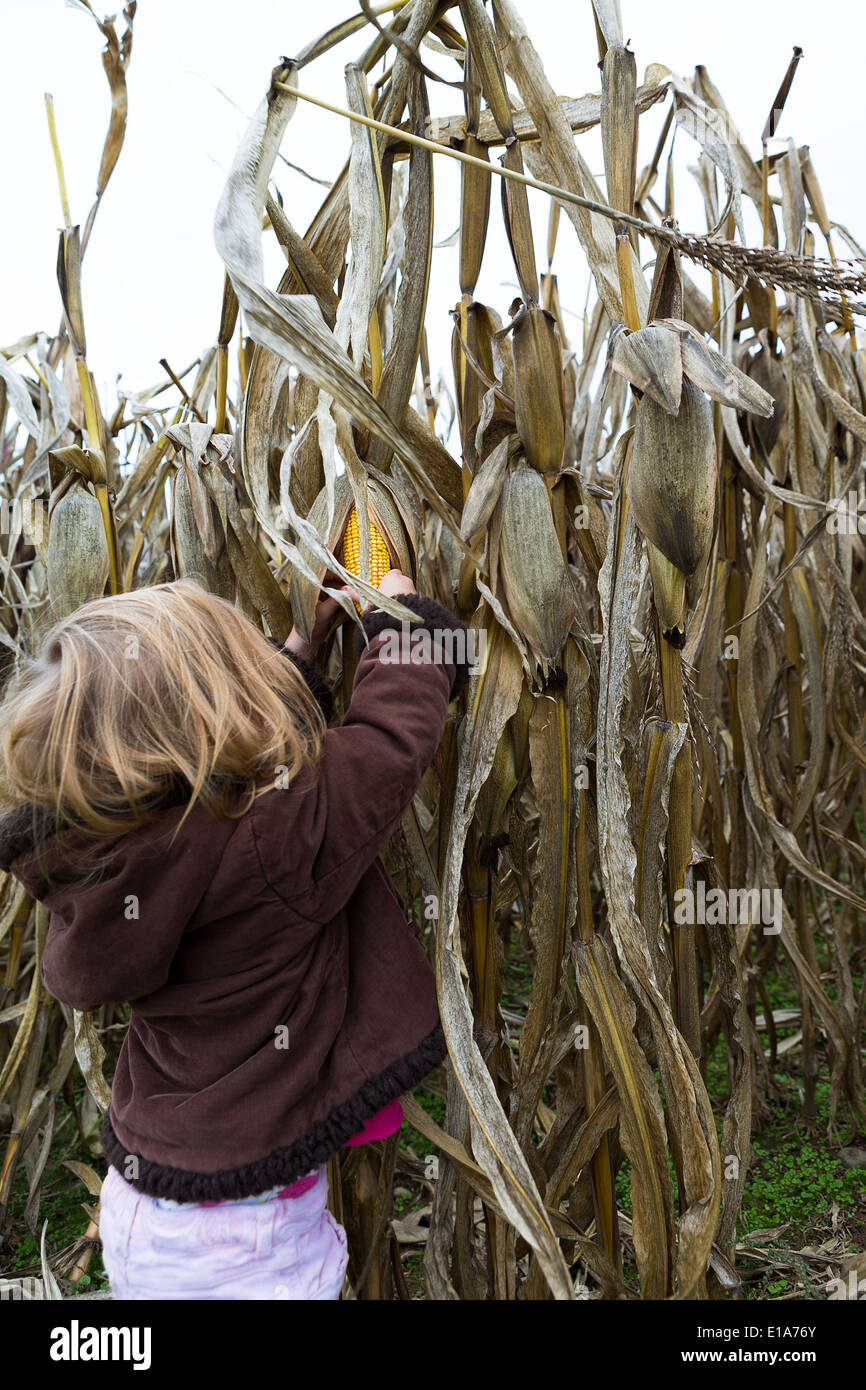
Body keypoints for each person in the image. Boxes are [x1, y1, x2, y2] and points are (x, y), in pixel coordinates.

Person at [0, 569, 468, 1299]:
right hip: (250, 1250)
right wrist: (402, 623)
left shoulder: (105, 857)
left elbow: (230, 767)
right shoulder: (277, 835)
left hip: (147, 1213)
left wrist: (302, 646)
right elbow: (387, 745)